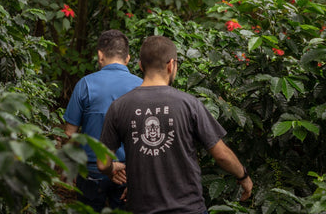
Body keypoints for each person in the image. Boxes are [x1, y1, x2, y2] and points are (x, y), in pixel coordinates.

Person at [97, 35, 253, 214]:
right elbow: (221, 155)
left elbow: (102, 164)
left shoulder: (119, 106)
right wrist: (244, 176)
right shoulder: (189, 104)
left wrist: (112, 170)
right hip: (188, 208)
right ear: (171, 65)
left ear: (140, 65)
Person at [63, 29, 142, 212]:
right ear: (128, 58)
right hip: (129, 173)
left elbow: (69, 133)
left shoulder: (85, 84)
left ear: (100, 55)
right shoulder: (141, 86)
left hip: (92, 171)